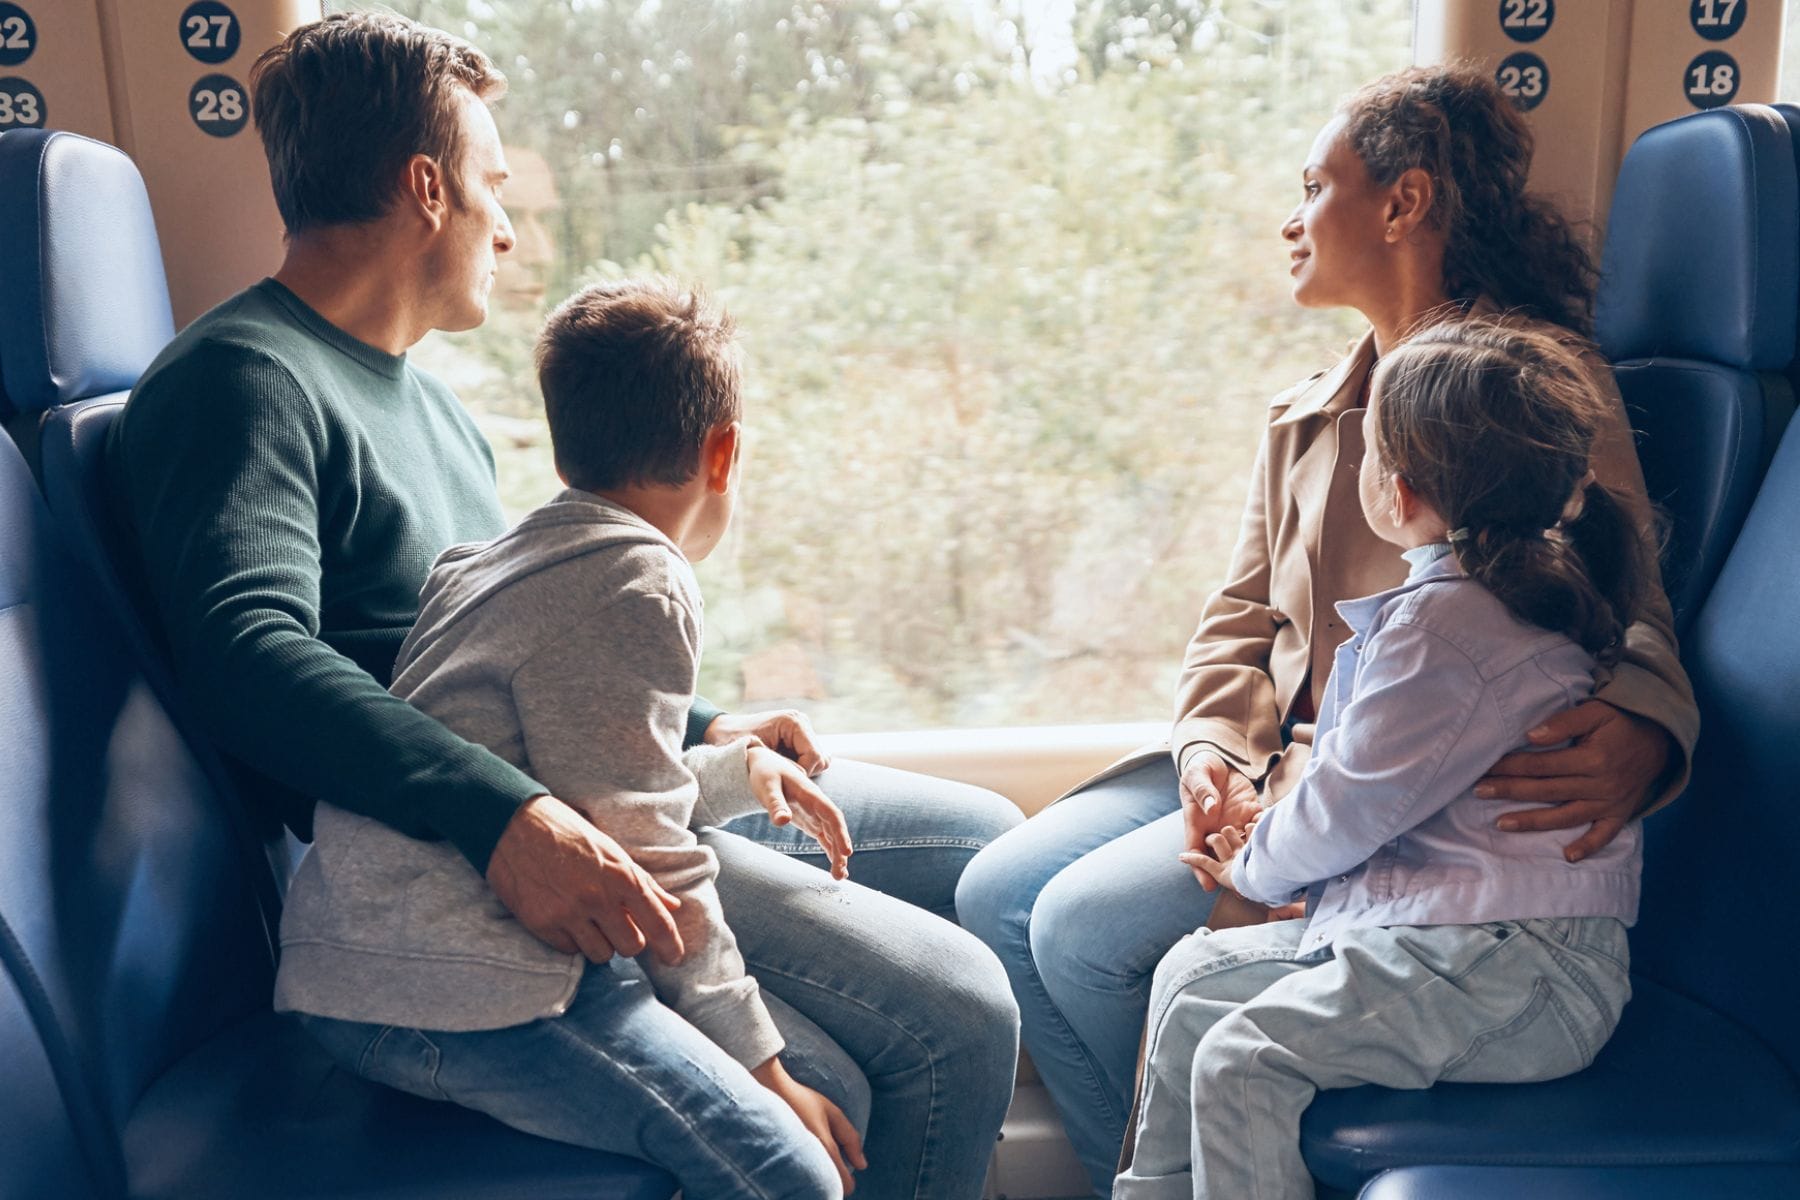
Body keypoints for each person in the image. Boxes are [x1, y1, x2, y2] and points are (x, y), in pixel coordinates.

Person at [107, 14, 1019, 1199]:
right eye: (494, 185)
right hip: (458, 846)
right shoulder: (243, 381)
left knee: (978, 841)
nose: (508, 223)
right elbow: (249, 653)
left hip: (554, 774)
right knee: (948, 1017)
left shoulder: (435, 413)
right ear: (425, 188)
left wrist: (704, 731)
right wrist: (506, 818)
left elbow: (507, 650)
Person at [955, 64, 1697, 1194]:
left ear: (1401, 205)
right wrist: (1211, 758)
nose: (1288, 219)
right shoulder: (1305, 412)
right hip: (1269, 762)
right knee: (997, 895)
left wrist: (1647, 727)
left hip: (1385, 785)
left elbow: (1629, 602)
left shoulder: (1530, 395)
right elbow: (1238, 618)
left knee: (1081, 932)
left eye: (1314, 185)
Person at [276, 279, 868, 1196]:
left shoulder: (495, 559)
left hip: (377, 959)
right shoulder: (639, 578)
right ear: (725, 452)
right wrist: (762, 1070)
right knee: (794, 1173)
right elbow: (654, 863)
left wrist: (739, 773)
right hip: (443, 985)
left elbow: (594, 780)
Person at [1115, 316, 1646, 1198]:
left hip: (1523, 972)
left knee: (1243, 1060)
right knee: (1189, 979)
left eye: (1365, 454)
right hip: (1455, 944)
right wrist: (1279, 835)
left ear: (1396, 493)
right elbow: (1364, 789)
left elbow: (1350, 806)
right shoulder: (1459, 605)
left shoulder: (1449, 629)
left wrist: (1253, 862)